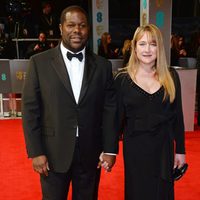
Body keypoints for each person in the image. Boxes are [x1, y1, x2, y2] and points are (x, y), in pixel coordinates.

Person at [22, 5, 118, 200]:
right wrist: (36, 152)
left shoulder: (102, 66)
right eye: (71, 25)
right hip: (52, 153)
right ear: (60, 28)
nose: (77, 30)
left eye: (82, 25)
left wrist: (110, 149)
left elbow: (110, 111)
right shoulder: (38, 63)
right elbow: (30, 110)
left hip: (91, 153)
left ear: (88, 30)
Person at [115, 24, 186, 200]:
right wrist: (107, 149)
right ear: (134, 47)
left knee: (162, 193)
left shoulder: (170, 76)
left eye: (153, 44)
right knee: (137, 192)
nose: (148, 49)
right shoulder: (122, 79)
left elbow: (178, 117)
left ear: (159, 48)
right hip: (135, 149)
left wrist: (181, 151)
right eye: (142, 44)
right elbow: (115, 120)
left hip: (164, 148)